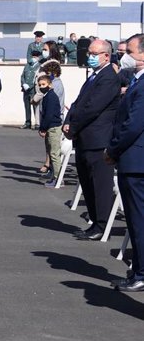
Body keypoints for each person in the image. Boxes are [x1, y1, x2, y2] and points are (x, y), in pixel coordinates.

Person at [64, 39, 121, 241]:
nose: (90, 56)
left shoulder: (108, 78)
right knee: (87, 184)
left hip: (98, 140)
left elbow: (93, 108)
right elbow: (78, 103)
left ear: (106, 56)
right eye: (89, 52)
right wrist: (68, 122)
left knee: (100, 185)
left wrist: (74, 126)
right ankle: (94, 223)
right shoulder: (93, 76)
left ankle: (101, 225)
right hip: (84, 139)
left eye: (94, 53)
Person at [105, 33, 144, 292]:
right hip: (132, 159)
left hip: (136, 161)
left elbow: (133, 124)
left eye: (129, 50)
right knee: (134, 220)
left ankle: (141, 273)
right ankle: (138, 271)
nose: (125, 55)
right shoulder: (135, 80)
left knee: (139, 220)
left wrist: (113, 149)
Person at [37, 75, 63, 188]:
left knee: (54, 153)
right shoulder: (46, 96)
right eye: (40, 85)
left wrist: (43, 128)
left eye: (44, 84)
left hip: (53, 127)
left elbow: (49, 115)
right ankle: (54, 175)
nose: (42, 87)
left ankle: (58, 178)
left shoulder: (51, 96)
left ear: (50, 85)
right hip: (49, 127)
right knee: (51, 151)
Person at [19, 50, 42, 129]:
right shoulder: (27, 65)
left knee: (35, 106)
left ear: (38, 58)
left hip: (33, 90)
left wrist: (31, 86)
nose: (33, 58)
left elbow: (38, 78)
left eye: (35, 57)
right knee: (27, 106)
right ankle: (28, 122)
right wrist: (23, 84)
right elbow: (22, 76)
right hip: (25, 89)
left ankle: (37, 123)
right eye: (33, 57)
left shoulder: (40, 66)